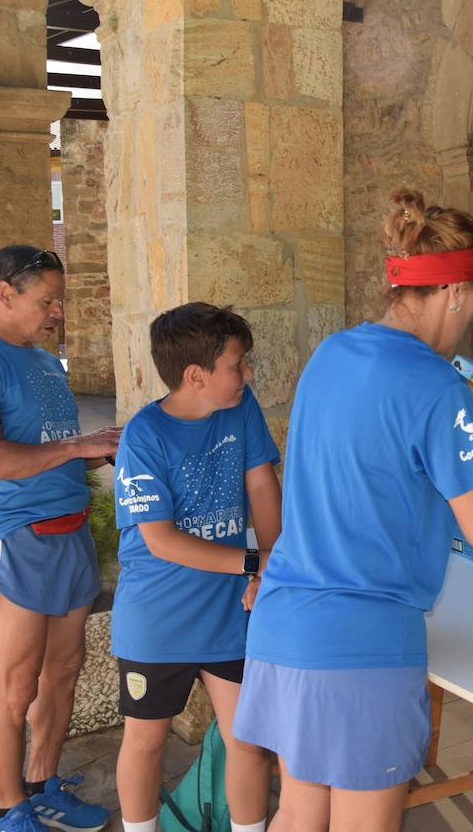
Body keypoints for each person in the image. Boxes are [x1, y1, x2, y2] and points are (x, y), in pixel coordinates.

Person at [233, 189, 473, 832]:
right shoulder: (436, 384)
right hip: (363, 645)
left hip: (285, 627)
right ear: (458, 293)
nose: (472, 317)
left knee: (298, 818)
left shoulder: (331, 353)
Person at [0, 245, 120, 832]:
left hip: (70, 535)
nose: (59, 312)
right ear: (4, 294)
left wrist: (103, 453)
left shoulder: (46, 364)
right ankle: (9, 808)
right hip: (17, 540)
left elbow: (47, 453)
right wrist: (79, 446)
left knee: (64, 670)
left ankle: (43, 786)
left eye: (59, 300)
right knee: (15, 684)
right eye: (48, 300)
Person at [110, 303, 281, 832]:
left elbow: (260, 484)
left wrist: (272, 569)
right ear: (195, 375)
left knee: (247, 742)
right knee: (145, 741)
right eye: (238, 363)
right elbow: (160, 540)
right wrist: (254, 560)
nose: (248, 373)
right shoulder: (143, 436)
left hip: (229, 610)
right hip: (157, 617)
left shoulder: (240, 406)